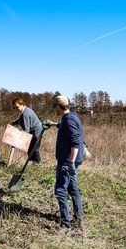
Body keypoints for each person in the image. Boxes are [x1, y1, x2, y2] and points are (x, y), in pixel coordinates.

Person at [46, 95, 85, 229]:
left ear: (58, 106)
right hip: (72, 160)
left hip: (67, 162)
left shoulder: (68, 120)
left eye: (54, 106)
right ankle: (79, 218)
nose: (53, 109)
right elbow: (67, 128)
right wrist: (53, 124)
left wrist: (70, 162)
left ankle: (65, 223)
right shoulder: (72, 116)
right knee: (73, 188)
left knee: (61, 190)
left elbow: (75, 140)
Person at [11, 97, 43, 163]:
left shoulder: (25, 113)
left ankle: (37, 163)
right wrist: (14, 122)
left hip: (36, 132)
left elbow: (26, 129)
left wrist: (19, 137)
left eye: (17, 107)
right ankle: (32, 162)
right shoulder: (24, 111)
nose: (16, 109)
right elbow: (20, 119)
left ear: (22, 104)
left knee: (34, 149)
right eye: (14, 108)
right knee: (30, 149)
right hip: (34, 132)